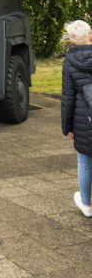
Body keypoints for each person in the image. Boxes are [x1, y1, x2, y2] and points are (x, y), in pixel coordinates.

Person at [61, 19, 92, 218]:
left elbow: (67, 98)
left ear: (72, 41)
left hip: (83, 119)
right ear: (90, 36)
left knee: (85, 162)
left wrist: (68, 127)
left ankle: (87, 204)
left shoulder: (69, 62)